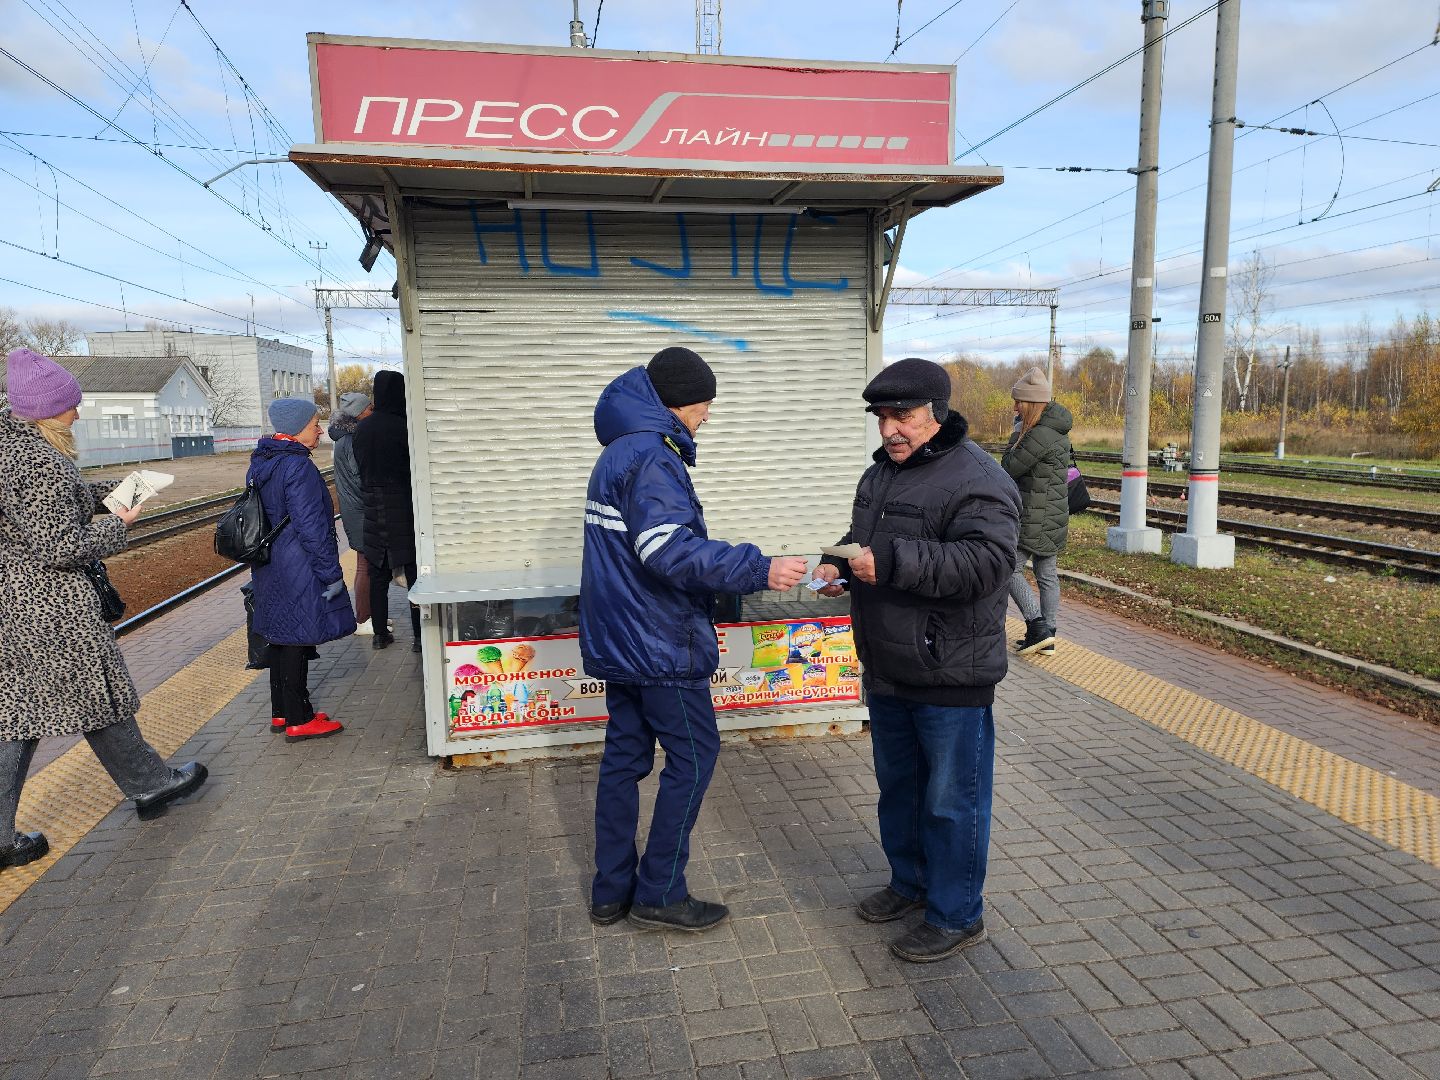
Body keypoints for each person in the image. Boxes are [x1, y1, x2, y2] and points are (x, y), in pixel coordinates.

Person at [581, 347, 809, 932]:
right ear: (682, 403)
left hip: (620, 639)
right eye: (706, 405)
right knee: (694, 755)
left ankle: (611, 890)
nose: (707, 417)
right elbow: (664, 550)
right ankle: (659, 889)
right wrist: (758, 568)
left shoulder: (617, 452)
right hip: (659, 644)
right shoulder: (653, 457)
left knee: (624, 760)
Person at [811, 357, 1019, 963]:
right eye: (881, 418)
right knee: (899, 788)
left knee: (952, 800)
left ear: (938, 413)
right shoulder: (879, 476)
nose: (889, 431)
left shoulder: (979, 478)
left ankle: (957, 914)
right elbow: (864, 541)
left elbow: (987, 566)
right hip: (888, 664)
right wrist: (838, 565)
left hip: (950, 671)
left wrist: (894, 563)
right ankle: (910, 883)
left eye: (902, 417)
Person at [1, 348, 208, 870]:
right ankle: (151, 785)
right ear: (45, 410)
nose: (78, 410)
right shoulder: (39, 461)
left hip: (18, 606)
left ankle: (148, 784)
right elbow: (59, 546)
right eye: (70, 404)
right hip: (51, 609)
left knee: (25, 719)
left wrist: (103, 495)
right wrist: (119, 524)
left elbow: (44, 508)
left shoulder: (12, 448)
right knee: (88, 703)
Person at [248, 398, 355, 741]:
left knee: (279, 636)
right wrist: (332, 574)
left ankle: (281, 711)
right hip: (298, 564)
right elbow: (312, 527)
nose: (320, 430)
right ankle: (300, 718)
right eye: (313, 425)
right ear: (296, 429)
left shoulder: (262, 461)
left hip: (271, 564)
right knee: (296, 637)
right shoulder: (297, 467)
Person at [1002, 367, 1074, 656]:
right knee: (1047, 574)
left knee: (1009, 570)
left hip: (1035, 515)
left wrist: (1016, 433)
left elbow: (1009, 467)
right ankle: (1048, 637)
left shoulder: (1038, 434)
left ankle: (1037, 626)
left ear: (1030, 403)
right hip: (1052, 513)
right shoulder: (1054, 429)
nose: (1015, 407)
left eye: (1019, 402)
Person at [352, 371, 419, 653]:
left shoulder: (363, 429)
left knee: (378, 574)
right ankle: (419, 637)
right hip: (404, 507)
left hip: (373, 507)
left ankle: (380, 634)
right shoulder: (406, 426)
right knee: (415, 574)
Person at [327, 391, 382, 636]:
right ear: (360, 413)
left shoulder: (345, 438)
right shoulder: (350, 440)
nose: (373, 412)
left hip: (356, 508)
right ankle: (363, 618)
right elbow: (361, 476)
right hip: (359, 509)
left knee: (367, 564)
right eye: (369, 409)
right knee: (365, 565)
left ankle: (371, 614)